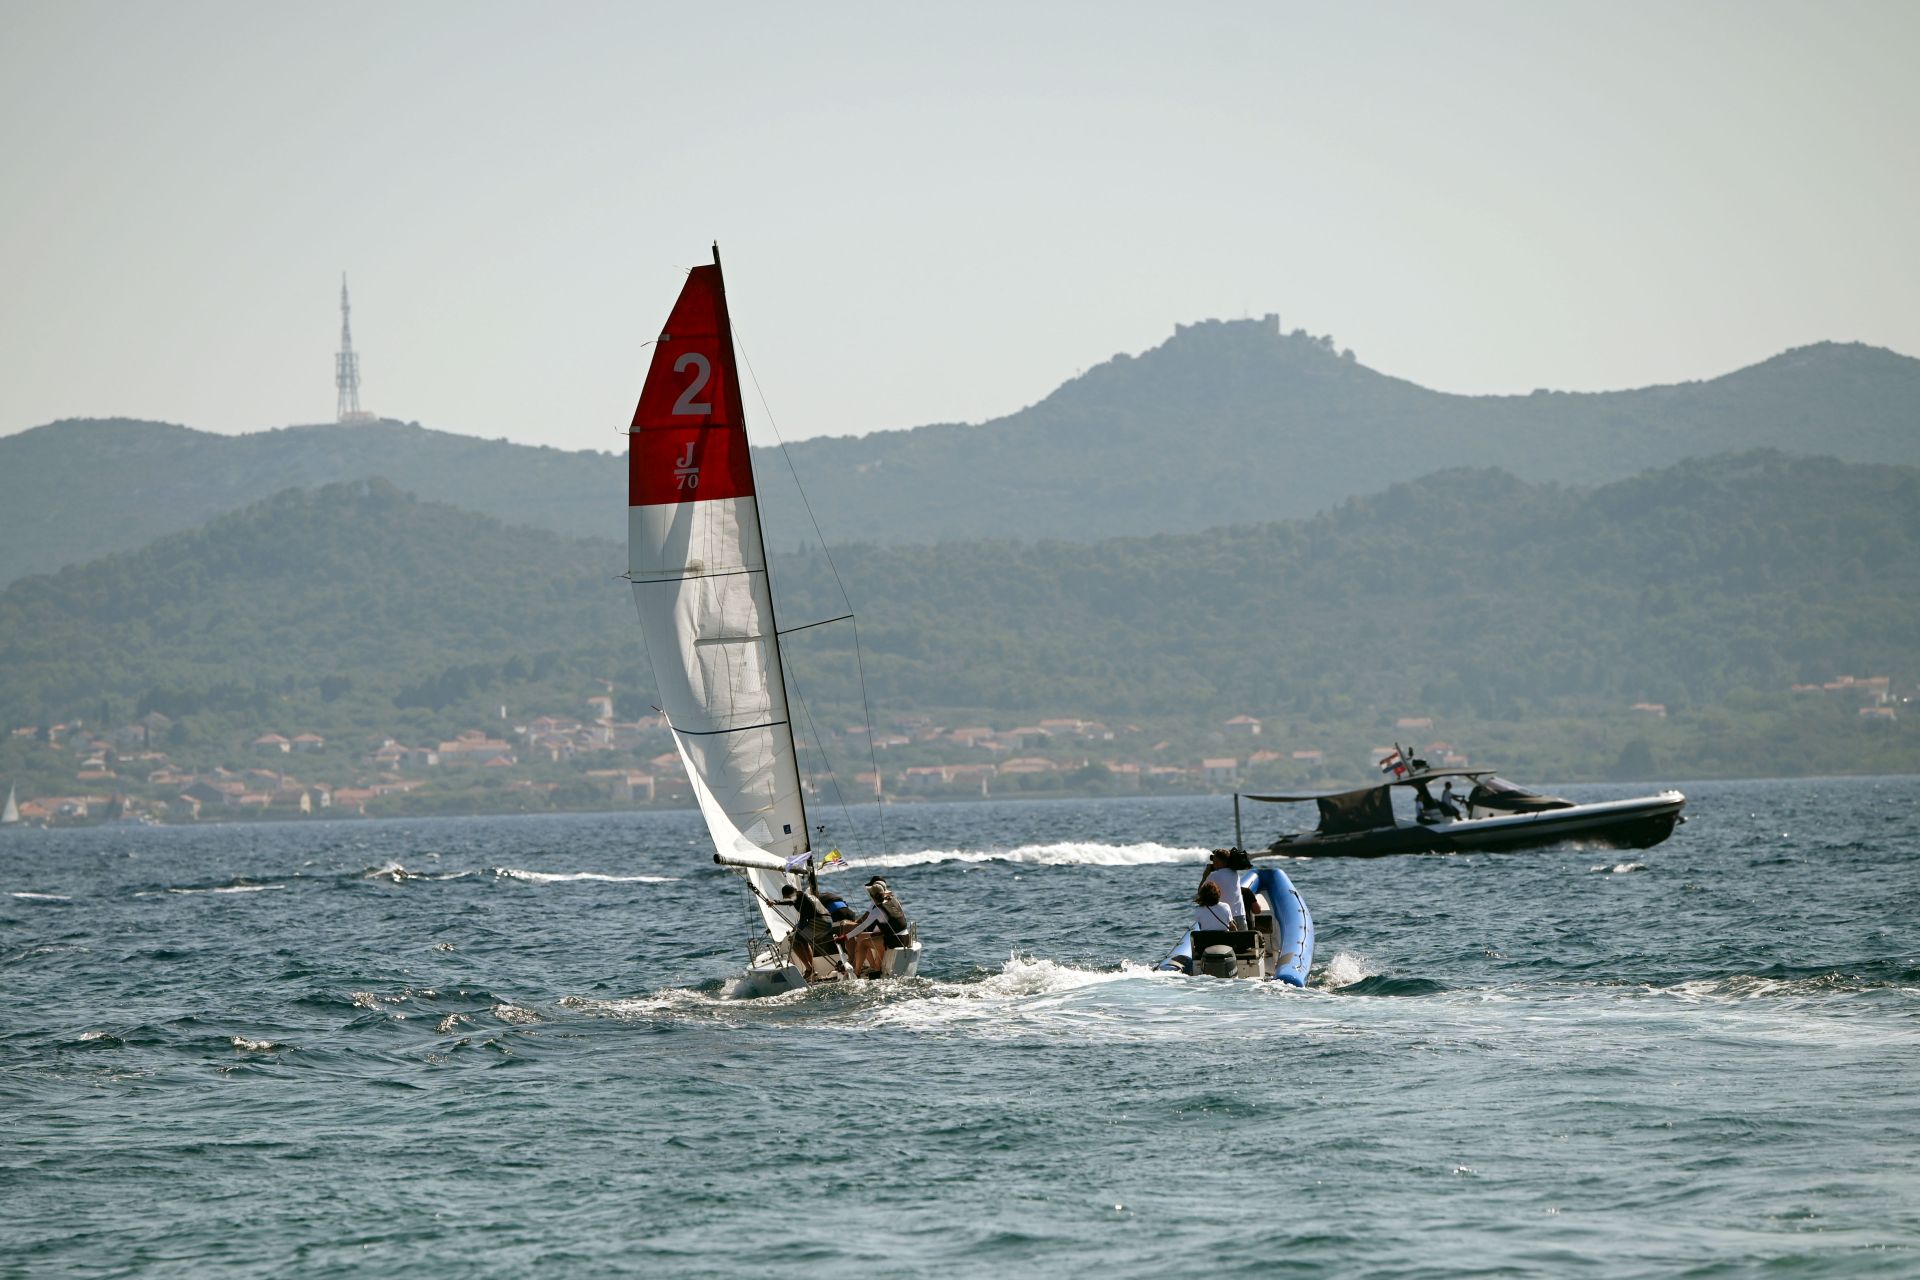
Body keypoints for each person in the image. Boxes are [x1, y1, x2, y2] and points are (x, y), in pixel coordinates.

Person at [752, 880, 848, 979]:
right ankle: (811, 969)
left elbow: (797, 907)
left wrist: (775, 902)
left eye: (787, 896)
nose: (788, 899)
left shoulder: (799, 896)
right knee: (803, 940)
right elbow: (800, 909)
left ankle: (809, 969)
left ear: (790, 894)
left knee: (794, 941)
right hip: (828, 921)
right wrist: (798, 926)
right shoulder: (805, 896)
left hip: (819, 922)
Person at [841, 877, 912, 978]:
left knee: (862, 943)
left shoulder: (877, 910)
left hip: (895, 940)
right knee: (862, 937)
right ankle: (876, 968)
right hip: (906, 937)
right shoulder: (894, 900)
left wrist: (845, 937)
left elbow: (863, 926)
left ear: (872, 896)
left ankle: (856, 973)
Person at [1198, 849, 1248, 930]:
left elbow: (1200, 893)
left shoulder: (1214, 875)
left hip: (1226, 916)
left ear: (1217, 861)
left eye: (1214, 860)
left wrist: (1205, 876)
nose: (1213, 863)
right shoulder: (1234, 873)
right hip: (1240, 915)